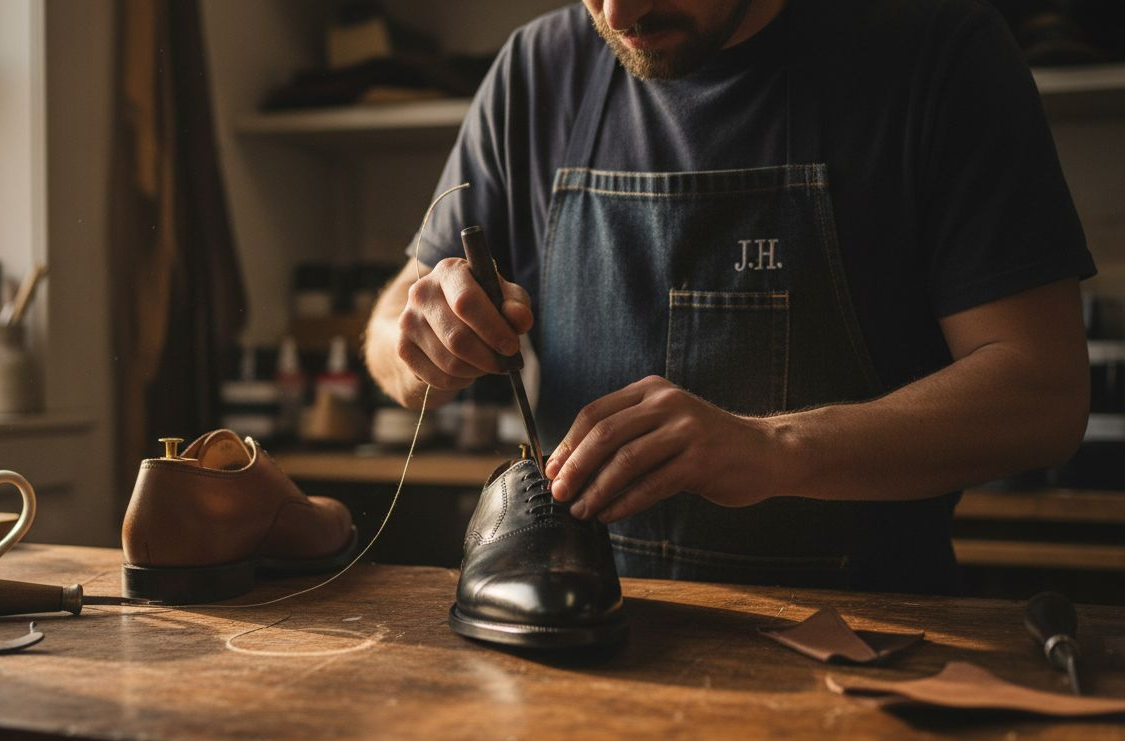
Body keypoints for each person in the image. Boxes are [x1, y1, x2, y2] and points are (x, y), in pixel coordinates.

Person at [363, 0, 1095, 593]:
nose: (619, 11)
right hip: (588, 632)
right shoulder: (536, 71)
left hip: (866, 648)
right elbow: (390, 331)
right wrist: (421, 334)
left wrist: (776, 449)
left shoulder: (940, 53)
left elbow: (1042, 395)